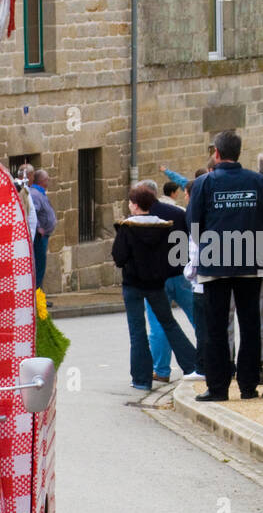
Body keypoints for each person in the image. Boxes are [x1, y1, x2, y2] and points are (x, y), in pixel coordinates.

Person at [186, 129, 263, 402]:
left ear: (216, 153)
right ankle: (248, 385)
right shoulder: (257, 181)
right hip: (251, 261)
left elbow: (194, 224)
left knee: (216, 328)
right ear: (238, 152)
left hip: (215, 262)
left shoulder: (205, 183)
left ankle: (218, 388)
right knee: (250, 325)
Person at [111, 184, 197, 391]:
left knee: (137, 331)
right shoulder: (163, 227)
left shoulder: (126, 228)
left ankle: (141, 379)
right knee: (169, 324)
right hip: (156, 283)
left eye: (131, 203)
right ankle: (192, 364)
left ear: (135, 205)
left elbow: (119, 257)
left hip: (133, 284)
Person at [136, 178, 197, 382]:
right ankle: (209, 360)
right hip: (179, 274)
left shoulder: (140, 219)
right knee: (198, 318)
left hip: (155, 280)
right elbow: (190, 240)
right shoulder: (177, 213)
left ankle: (161, 370)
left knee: (158, 325)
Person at [28, 168, 56, 291]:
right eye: (47, 179)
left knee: (41, 265)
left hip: (44, 236)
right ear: (42, 180)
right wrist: (39, 227)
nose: (48, 181)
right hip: (40, 238)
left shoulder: (40, 193)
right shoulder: (35, 194)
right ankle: (37, 296)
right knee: (39, 265)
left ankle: (39, 296)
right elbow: (33, 212)